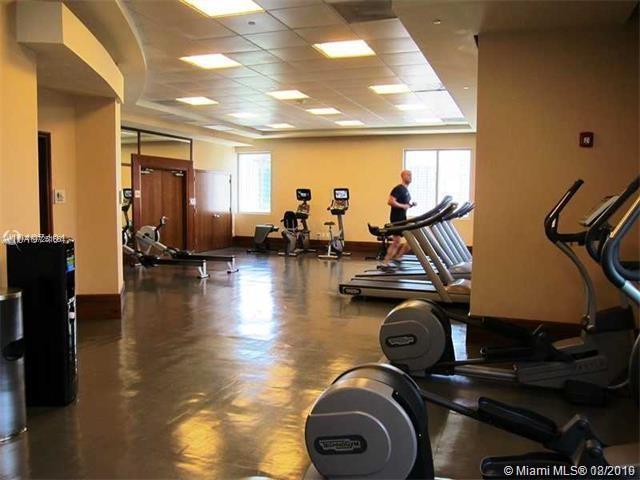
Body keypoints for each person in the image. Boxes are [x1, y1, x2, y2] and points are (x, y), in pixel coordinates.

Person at [380, 170, 417, 270]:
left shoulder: (406, 191)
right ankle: (385, 262)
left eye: (411, 175)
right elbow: (390, 201)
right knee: (397, 242)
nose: (410, 176)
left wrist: (410, 205)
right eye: (408, 175)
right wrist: (403, 206)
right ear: (402, 176)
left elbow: (404, 205)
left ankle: (398, 257)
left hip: (402, 218)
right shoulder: (398, 188)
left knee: (410, 240)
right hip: (396, 219)